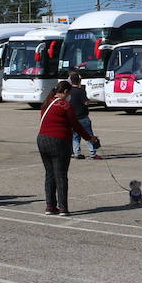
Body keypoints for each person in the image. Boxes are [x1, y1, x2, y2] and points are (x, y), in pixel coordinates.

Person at [37, 81, 99, 216]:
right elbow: (75, 125)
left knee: (50, 174)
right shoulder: (65, 105)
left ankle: (50, 206)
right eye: (69, 93)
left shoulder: (47, 103)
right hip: (59, 141)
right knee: (61, 175)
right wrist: (89, 138)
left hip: (42, 139)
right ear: (65, 92)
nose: (69, 96)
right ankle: (63, 208)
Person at [67, 72, 100, 160]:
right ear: (79, 81)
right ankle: (92, 153)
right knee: (88, 135)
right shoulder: (81, 90)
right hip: (82, 116)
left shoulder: (69, 91)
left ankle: (77, 153)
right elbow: (85, 102)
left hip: (73, 118)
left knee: (75, 136)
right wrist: (88, 101)